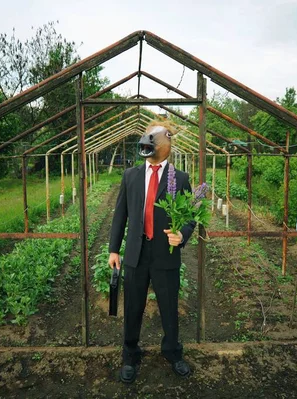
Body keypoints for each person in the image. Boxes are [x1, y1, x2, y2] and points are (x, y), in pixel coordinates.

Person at [108, 121, 196, 383]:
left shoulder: (180, 178)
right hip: (136, 252)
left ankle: (172, 352)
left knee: (169, 307)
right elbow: (119, 215)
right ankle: (130, 355)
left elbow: (192, 216)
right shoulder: (130, 176)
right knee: (133, 306)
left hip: (165, 254)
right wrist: (114, 249)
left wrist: (183, 235)